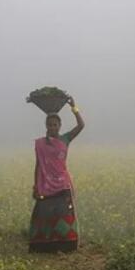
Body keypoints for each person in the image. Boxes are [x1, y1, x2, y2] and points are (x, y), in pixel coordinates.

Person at [28, 96, 85, 253]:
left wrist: (74, 108)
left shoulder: (65, 138)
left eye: (55, 124)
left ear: (60, 126)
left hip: (62, 184)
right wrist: (36, 186)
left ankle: (66, 245)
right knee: (43, 213)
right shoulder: (40, 144)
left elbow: (81, 125)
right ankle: (43, 246)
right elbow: (38, 165)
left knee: (64, 212)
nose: (52, 127)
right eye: (50, 125)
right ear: (46, 126)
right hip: (45, 185)